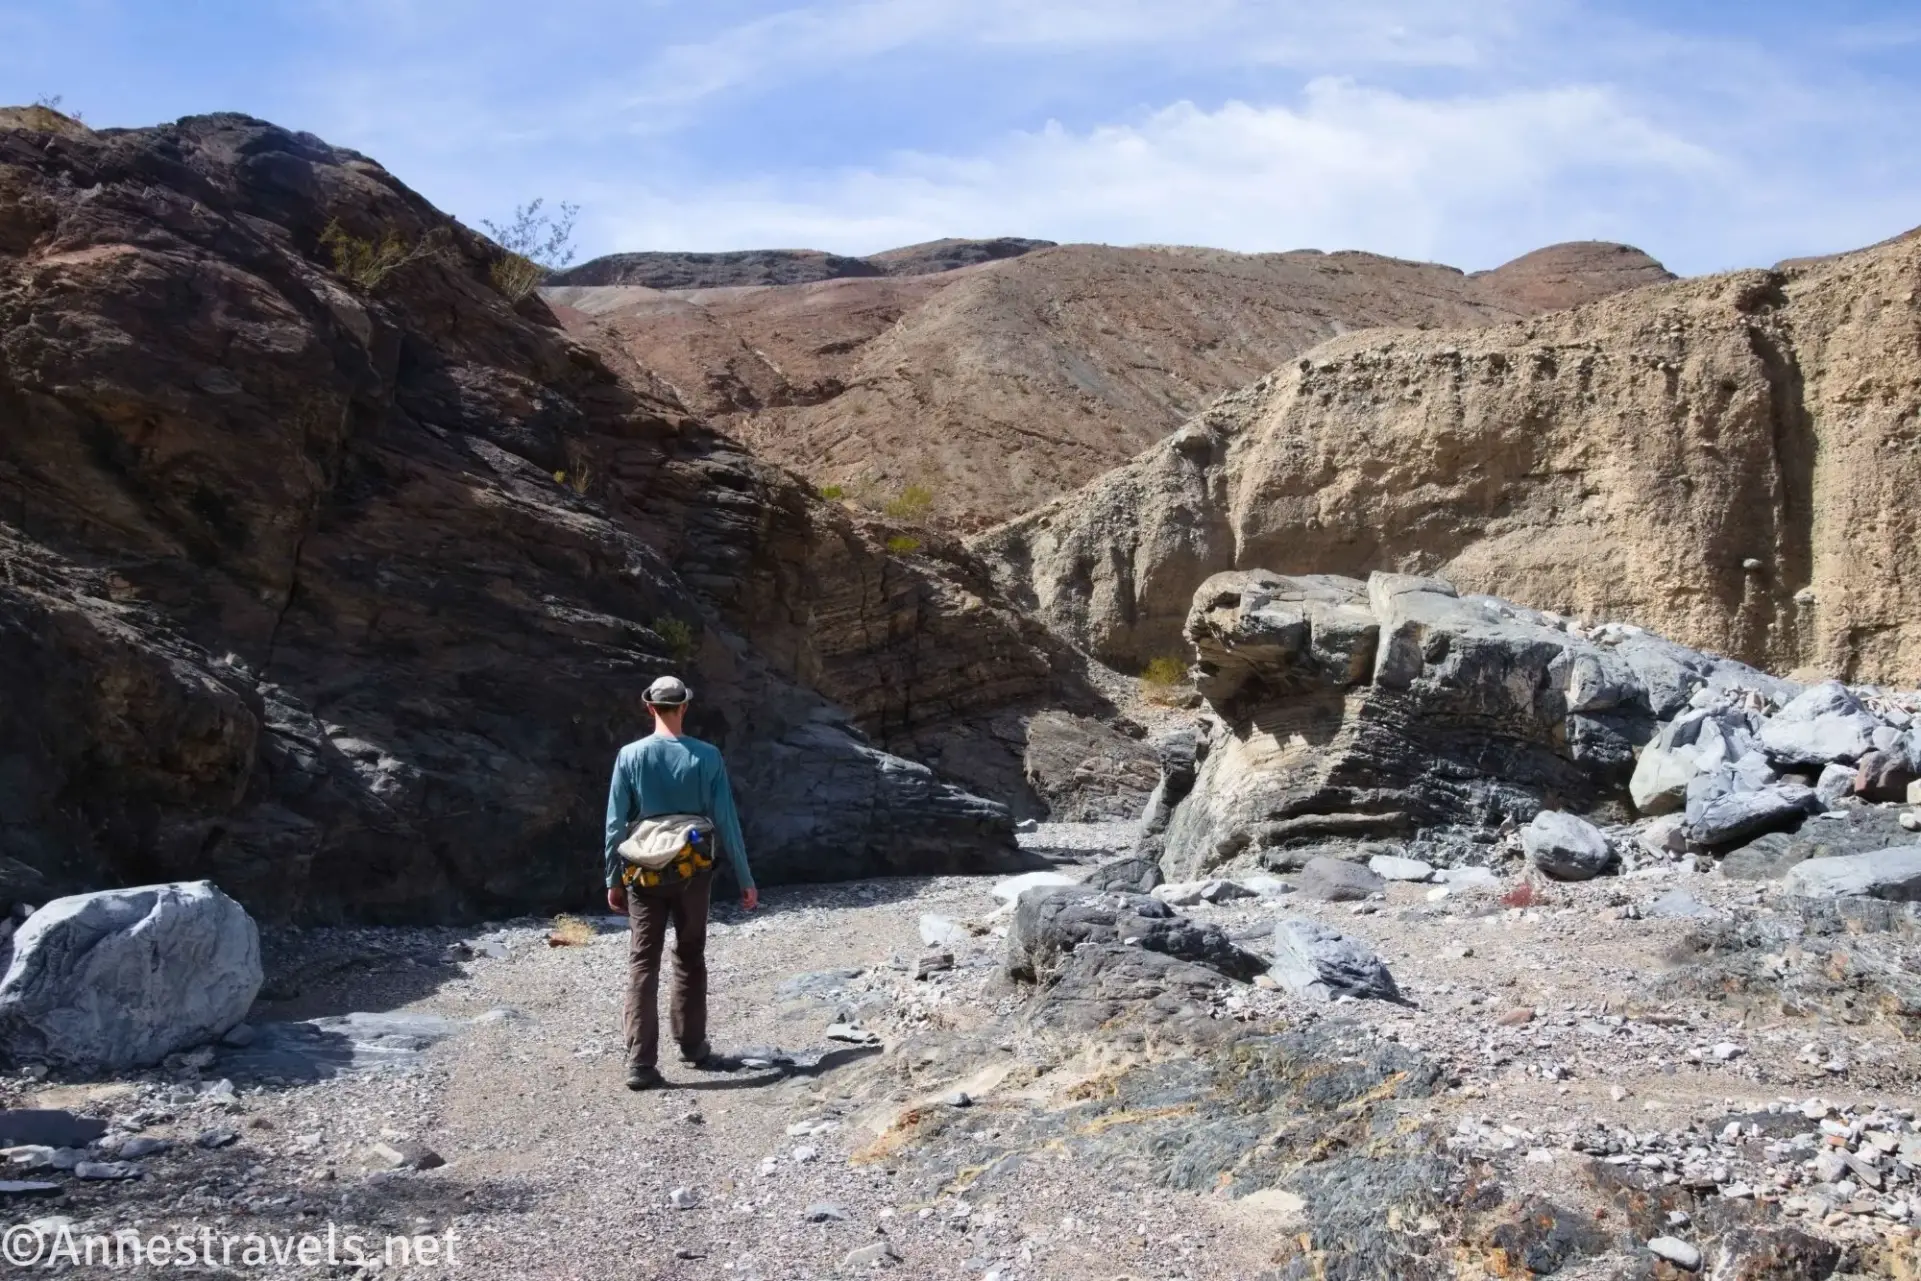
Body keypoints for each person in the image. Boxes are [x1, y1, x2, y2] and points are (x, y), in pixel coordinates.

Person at [603, 676, 757, 1091]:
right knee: (690, 955)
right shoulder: (707, 756)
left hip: (643, 870)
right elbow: (726, 818)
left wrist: (612, 877)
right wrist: (745, 877)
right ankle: (691, 1045)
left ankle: (640, 1063)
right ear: (684, 706)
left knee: (642, 962)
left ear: (649, 706)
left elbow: (616, 822)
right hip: (692, 869)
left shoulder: (630, 756)